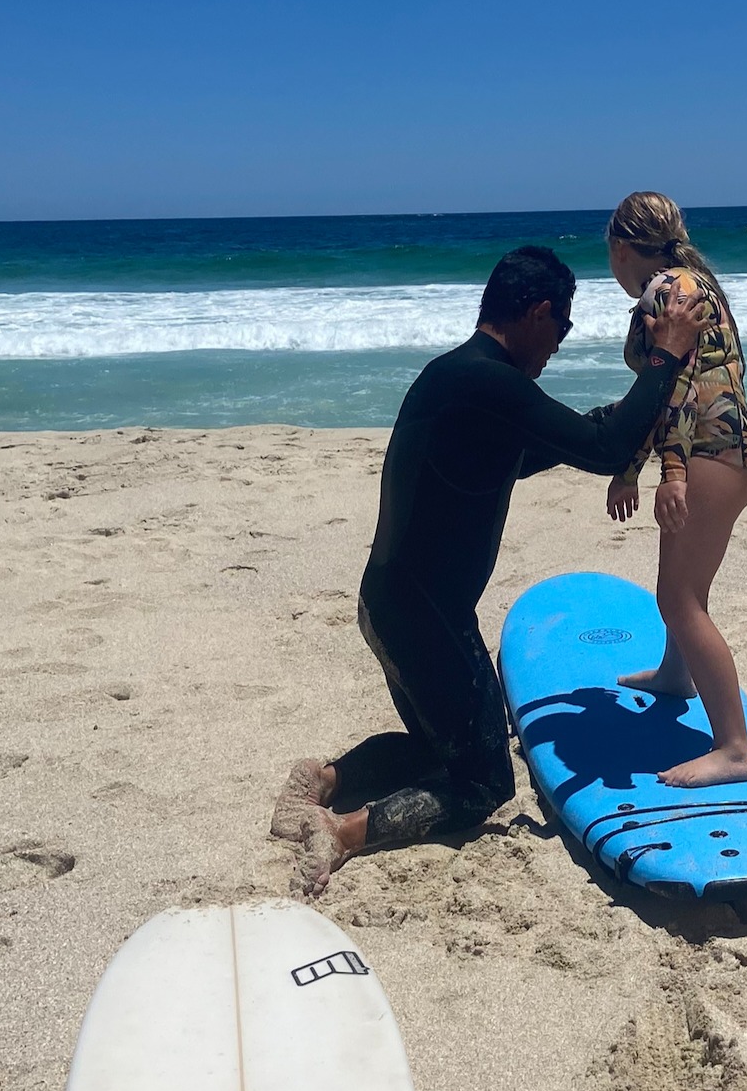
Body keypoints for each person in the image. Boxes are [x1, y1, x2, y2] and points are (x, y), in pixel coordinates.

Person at [270, 245, 705, 893]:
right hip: (428, 617)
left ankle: (322, 781)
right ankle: (342, 830)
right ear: (536, 313)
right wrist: (666, 355)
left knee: (447, 745)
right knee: (485, 782)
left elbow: (532, 453)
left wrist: (611, 424)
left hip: (391, 602)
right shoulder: (492, 384)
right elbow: (602, 447)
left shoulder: (459, 378)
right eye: (561, 327)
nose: (559, 344)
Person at [600, 192, 747, 787]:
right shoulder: (697, 282)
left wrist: (665, 473)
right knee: (684, 585)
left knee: (680, 600)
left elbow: (677, 389)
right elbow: (673, 386)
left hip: (708, 458)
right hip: (734, 452)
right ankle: (677, 675)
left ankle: (735, 748)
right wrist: (636, 465)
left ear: (621, 247)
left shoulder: (665, 292)